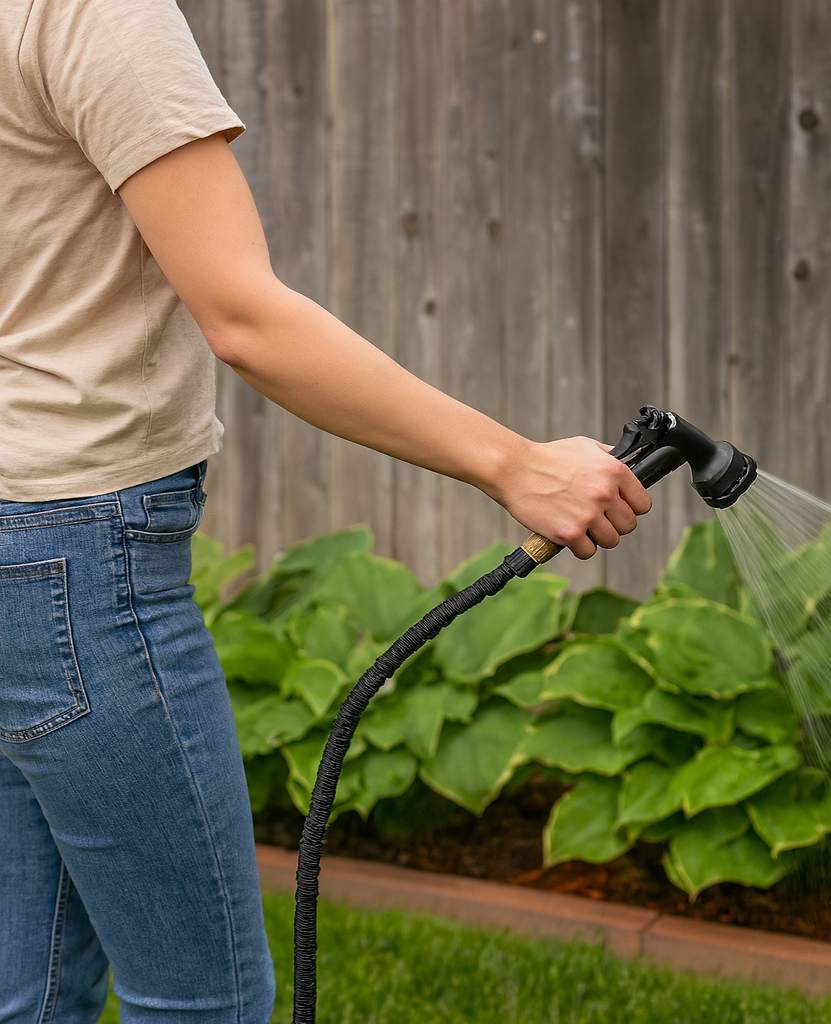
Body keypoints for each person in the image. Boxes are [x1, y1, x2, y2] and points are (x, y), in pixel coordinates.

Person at [0, 2, 650, 1023]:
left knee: (28, 996)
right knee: (202, 1001)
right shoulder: (93, 13)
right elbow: (244, 318)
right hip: (75, 558)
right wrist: (516, 465)